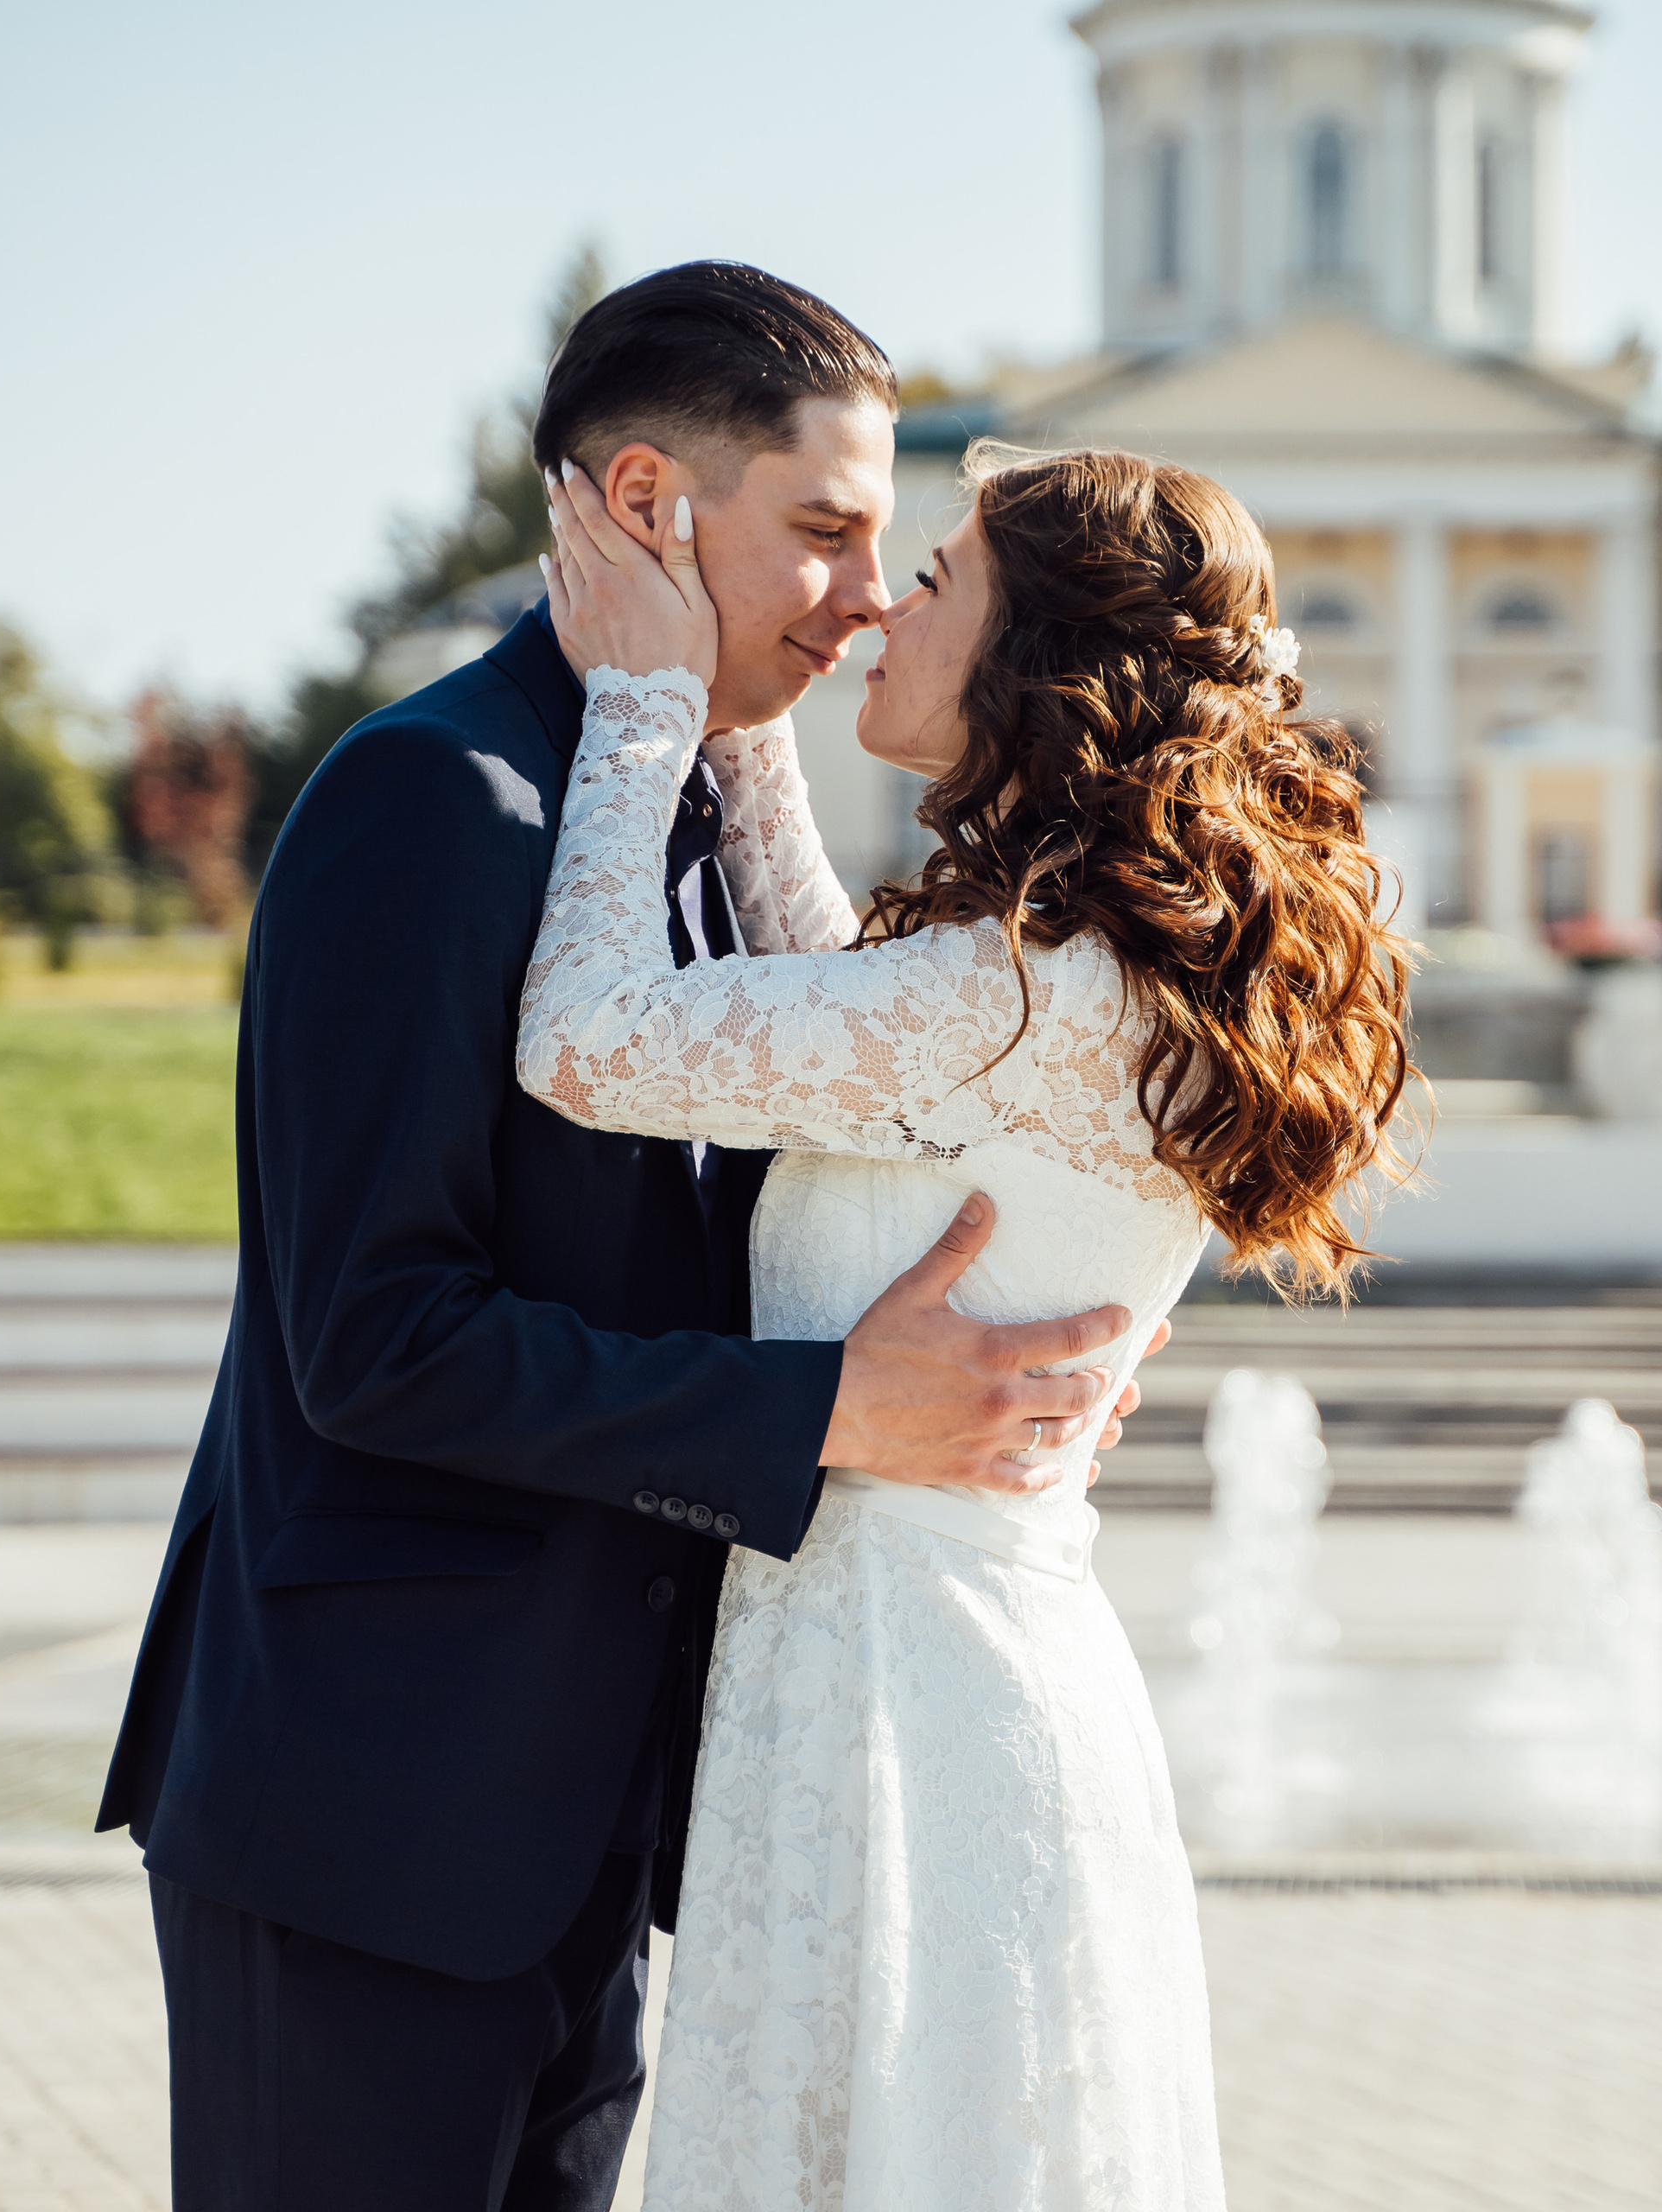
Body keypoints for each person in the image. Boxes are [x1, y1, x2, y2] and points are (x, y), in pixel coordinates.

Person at [97, 263, 1158, 2211]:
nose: (864, 596)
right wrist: (826, 1408)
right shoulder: (437, 801)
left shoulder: (681, 815)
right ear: (653, 505)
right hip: (371, 1810)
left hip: (597, 1827)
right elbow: (379, 1337)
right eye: (829, 531)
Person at [523, 434, 1412, 2208]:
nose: (874, 608)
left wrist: (647, 698)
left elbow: (588, 1039)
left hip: (904, 1717)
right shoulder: (1041, 977)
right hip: (940, 1678)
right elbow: (823, 1005)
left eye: (930, 582)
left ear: (1038, 662)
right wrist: (748, 712)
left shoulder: (1009, 997)